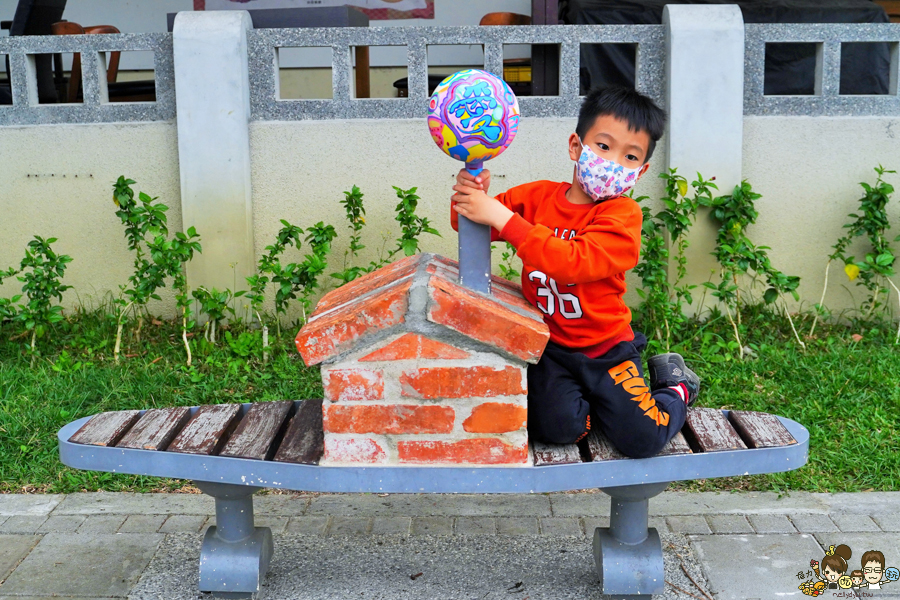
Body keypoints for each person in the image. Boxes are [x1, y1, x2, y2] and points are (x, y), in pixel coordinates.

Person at [449, 85, 699, 458]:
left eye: (630, 156)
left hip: (608, 351)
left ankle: (675, 386)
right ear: (575, 146)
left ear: (641, 170)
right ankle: (600, 404)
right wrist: (471, 192)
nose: (613, 162)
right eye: (603, 146)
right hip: (551, 350)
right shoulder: (535, 198)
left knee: (642, 439)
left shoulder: (622, 215)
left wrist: (500, 215)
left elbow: (573, 261)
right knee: (558, 429)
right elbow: (465, 223)